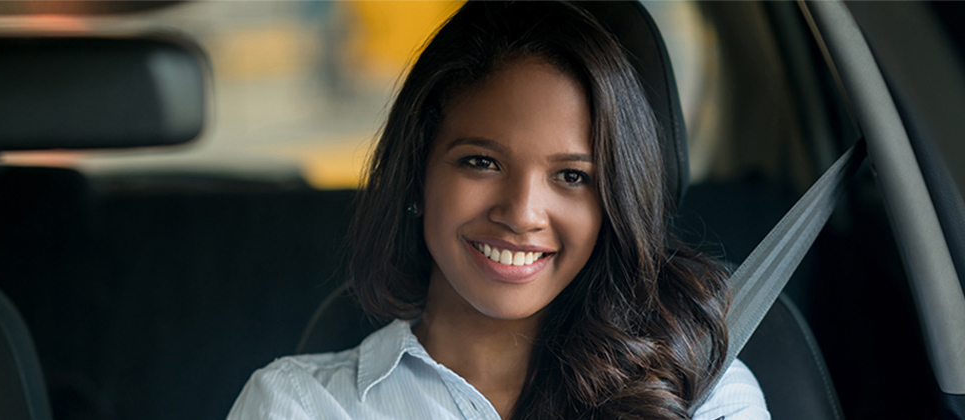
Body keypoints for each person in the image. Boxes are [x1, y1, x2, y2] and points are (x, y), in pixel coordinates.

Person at [228, 2, 768, 419]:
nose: (522, 213)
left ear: (612, 207)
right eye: (482, 162)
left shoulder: (697, 395)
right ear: (417, 171)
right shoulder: (301, 404)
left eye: (572, 177)